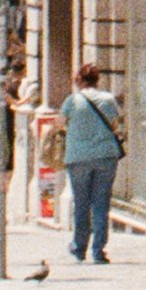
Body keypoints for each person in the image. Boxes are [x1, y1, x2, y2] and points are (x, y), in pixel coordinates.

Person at [58, 62, 125, 265]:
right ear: (97, 80)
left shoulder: (71, 101)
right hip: (105, 156)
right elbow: (115, 125)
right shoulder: (108, 99)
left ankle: (79, 247)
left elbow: (59, 124)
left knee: (81, 203)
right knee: (101, 203)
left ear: (79, 80)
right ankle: (98, 250)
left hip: (78, 157)